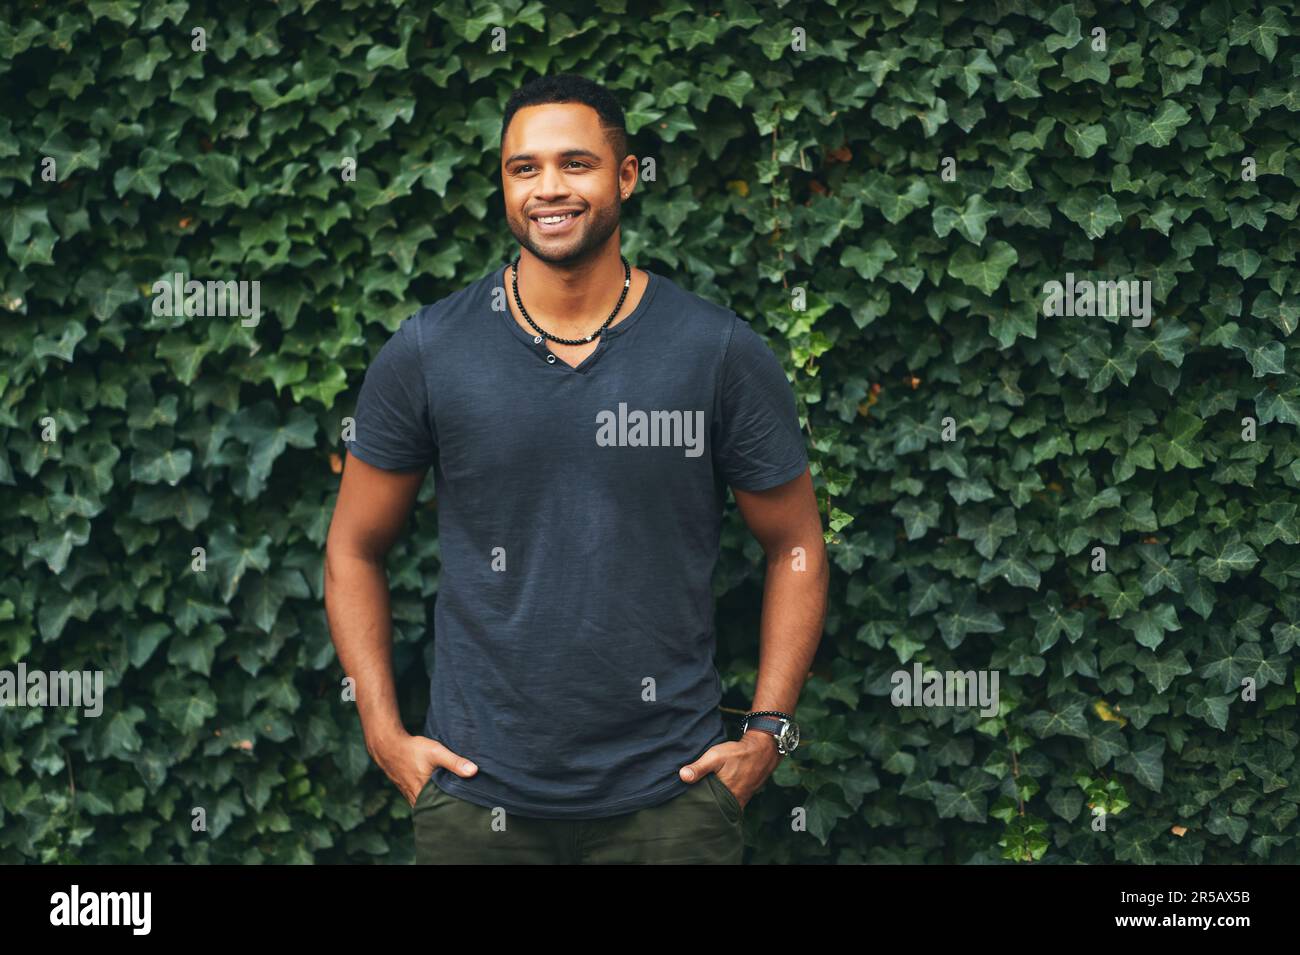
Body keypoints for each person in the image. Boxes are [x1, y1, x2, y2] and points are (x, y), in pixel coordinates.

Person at [324, 73, 828, 864]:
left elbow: (795, 544)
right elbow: (353, 547)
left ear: (626, 176)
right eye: (523, 168)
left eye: (575, 163)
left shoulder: (716, 351)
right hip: (475, 800)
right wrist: (386, 736)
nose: (547, 188)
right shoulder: (430, 350)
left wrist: (769, 731)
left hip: (671, 803)